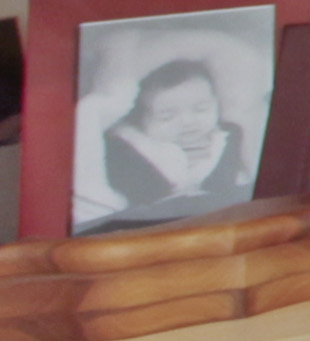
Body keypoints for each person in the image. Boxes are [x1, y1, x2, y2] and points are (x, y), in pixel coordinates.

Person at [93, 54, 254, 227]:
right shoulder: (128, 148)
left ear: (216, 104)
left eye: (201, 109)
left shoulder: (228, 138)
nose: (187, 122)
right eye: (166, 117)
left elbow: (232, 183)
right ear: (140, 121)